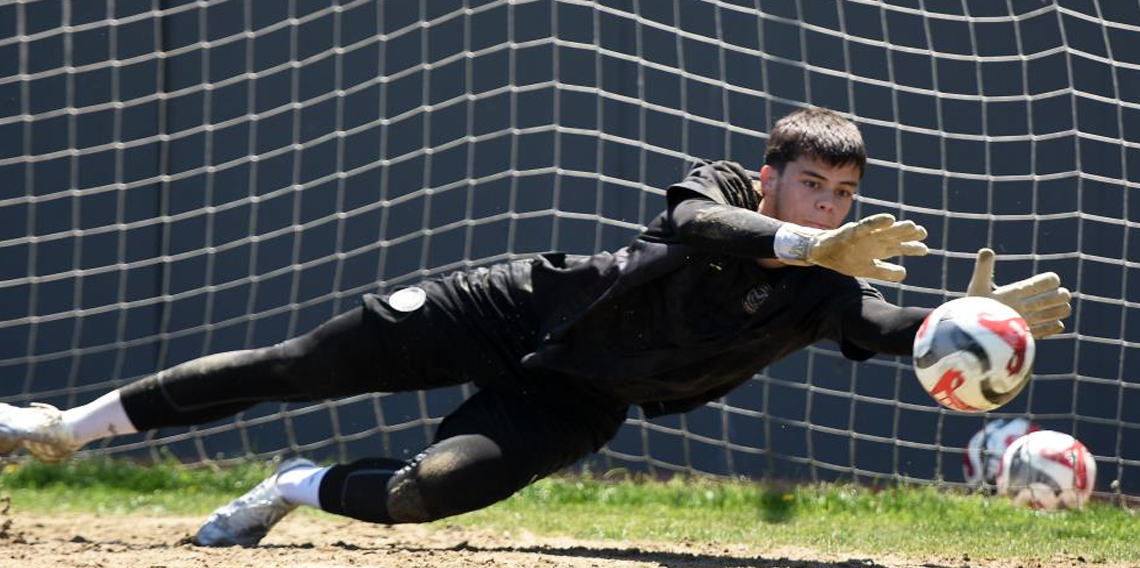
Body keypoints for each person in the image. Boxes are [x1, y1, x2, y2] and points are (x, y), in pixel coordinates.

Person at [0, 108, 1071, 547]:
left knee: (429, 491)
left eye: (845, 193)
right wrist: (799, 243)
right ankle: (60, 426)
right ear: (773, 172)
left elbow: (886, 323)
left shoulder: (830, 286)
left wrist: (965, 322)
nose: (830, 204)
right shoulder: (726, 193)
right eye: (813, 183)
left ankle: (290, 485)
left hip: (575, 395)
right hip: (506, 307)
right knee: (293, 364)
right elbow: (692, 222)